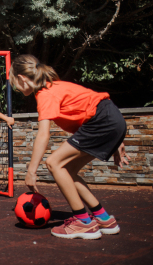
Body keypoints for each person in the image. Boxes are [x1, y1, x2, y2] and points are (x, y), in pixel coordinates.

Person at [10, 54, 130, 239]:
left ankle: (83, 222)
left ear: (22, 79)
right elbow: (95, 106)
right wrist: (117, 139)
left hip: (103, 121)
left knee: (54, 163)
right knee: (68, 169)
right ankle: (104, 218)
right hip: (110, 118)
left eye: (14, 84)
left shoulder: (45, 94)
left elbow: (43, 135)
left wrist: (31, 171)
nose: (16, 88)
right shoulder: (56, 86)